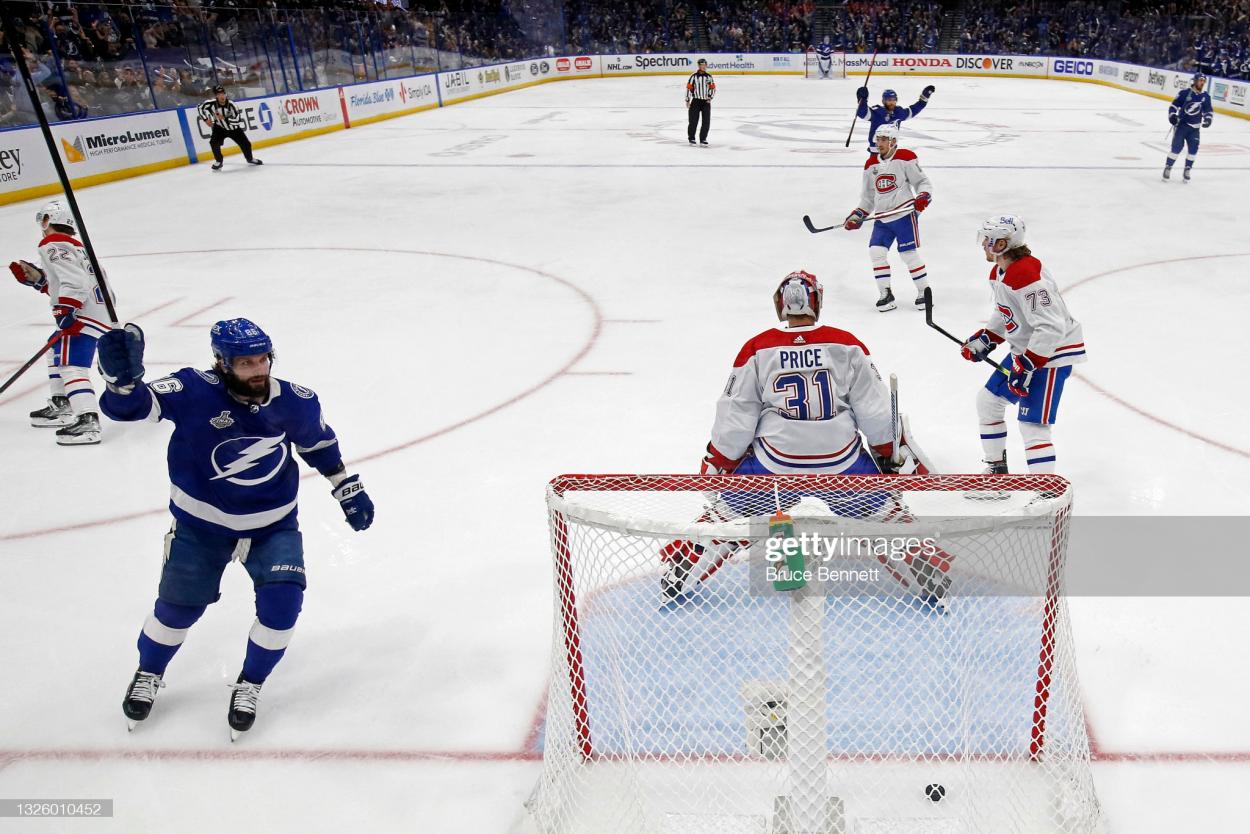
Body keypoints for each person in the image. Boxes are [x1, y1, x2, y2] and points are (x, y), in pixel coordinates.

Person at [97, 318, 375, 738]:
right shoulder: (192, 389)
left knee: (282, 610)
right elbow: (133, 408)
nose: (258, 369)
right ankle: (149, 672)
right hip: (201, 527)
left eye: (263, 359)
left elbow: (317, 443)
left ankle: (250, 683)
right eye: (245, 362)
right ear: (222, 363)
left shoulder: (295, 401)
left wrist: (345, 487)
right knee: (176, 612)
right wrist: (122, 384)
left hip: (273, 527)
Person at [661, 271, 938, 601]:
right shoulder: (846, 343)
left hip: (775, 466)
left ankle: (677, 577)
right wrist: (890, 451)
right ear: (817, 302)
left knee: (725, 520)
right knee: (886, 517)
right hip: (841, 463)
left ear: (780, 304)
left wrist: (718, 461)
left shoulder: (758, 347)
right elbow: (876, 410)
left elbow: (736, 416)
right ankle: (931, 579)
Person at [960, 215, 1086, 474]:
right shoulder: (999, 271)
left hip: (1051, 355)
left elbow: (1051, 326)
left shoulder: (1026, 275)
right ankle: (997, 470)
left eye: (989, 240)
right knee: (988, 402)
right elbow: (1007, 311)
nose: (984, 244)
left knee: (1033, 425)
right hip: (1029, 352)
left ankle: (1045, 492)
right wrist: (988, 339)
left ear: (1003, 243)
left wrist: (1028, 365)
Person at [9, 199, 114, 445]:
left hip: (83, 315)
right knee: (54, 351)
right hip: (97, 312)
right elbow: (70, 281)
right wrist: (40, 281)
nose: (41, 227)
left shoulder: (52, 242)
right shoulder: (76, 245)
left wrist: (66, 308)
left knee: (70, 364)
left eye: (42, 220)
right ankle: (62, 403)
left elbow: (75, 282)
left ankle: (88, 421)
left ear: (49, 221)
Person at [842, 124, 933, 312]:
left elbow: (922, 182)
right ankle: (886, 294)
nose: (880, 143)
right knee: (876, 252)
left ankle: (924, 292)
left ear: (893, 141)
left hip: (904, 215)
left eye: (884, 139)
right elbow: (868, 198)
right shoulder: (870, 165)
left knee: (908, 254)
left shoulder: (905, 157)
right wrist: (857, 215)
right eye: (878, 139)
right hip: (882, 219)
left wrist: (923, 196)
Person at [197, 84, 262, 171]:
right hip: (219, 128)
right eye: (219, 94)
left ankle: (250, 159)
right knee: (213, 143)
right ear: (216, 96)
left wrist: (224, 118)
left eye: (223, 93)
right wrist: (205, 119)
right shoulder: (211, 104)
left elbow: (238, 120)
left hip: (234, 129)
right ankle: (219, 161)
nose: (221, 96)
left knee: (246, 144)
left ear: (225, 94)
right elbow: (200, 107)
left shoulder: (232, 105)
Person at [855, 84, 933, 154]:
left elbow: (914, 110)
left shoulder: (899, 112)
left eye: (894, 100)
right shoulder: (877, 112)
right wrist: (862, 100)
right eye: (889, 100)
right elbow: (862, 113)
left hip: (891, 154)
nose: (892, 102)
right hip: (876, 153)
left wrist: (924, 98)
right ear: (883, 101)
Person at [1163, 73, 1213, 182]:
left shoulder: (1205, 96)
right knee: (1176, 148)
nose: (1202, 82)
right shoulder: (1184, 93)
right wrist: (1172, 116)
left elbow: (1208, 110)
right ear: (1194, 81)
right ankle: (1168, 167)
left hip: (1195, 129)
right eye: (1200, 80)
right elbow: (1173, 106)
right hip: (1181, 126)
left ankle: (1187, 169)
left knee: (1193, 150)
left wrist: (1208, 119)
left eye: (1204, 81)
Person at [685, 58, 715, 146]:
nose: (704, 66)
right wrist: (687, 100)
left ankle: (703, 138)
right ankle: (691, 138)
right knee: (693, 121)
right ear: (699, 66)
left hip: (706, 102)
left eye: (705, 65)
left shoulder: (709, 77)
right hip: (696, 102)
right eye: (702, 65)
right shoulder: (693, 76)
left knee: (706, 121)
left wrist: (710, 97)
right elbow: (689, 88)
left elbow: (712, 88)